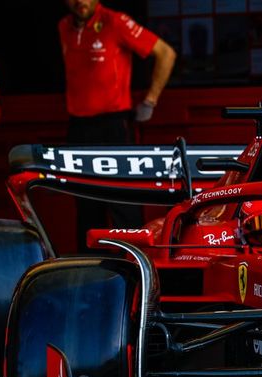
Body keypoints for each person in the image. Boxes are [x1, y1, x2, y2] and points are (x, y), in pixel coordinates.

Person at [59, 0, 176, 252]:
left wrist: (150, 100)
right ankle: (90, 270)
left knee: (124, 204)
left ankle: (134, 268)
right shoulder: (64, 27)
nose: (80, 1)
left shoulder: (115, 21)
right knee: (86, 206)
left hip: (113, 127)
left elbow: (166, 53)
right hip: (78, 128)